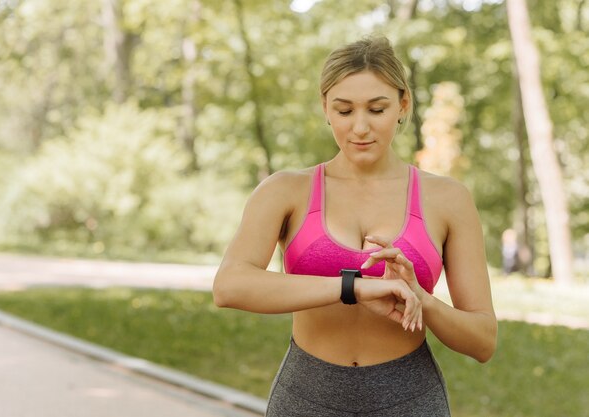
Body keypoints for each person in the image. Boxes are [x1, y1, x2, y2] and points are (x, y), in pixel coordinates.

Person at [213, 35, 497, 417]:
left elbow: (482, 341)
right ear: (325, 109)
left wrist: (421, 299)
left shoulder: (448, 199)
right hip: (306, 396)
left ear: (403, 104)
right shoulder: (286, 190)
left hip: (409, 398)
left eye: (376, 109)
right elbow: (229, 286)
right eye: (344, 111)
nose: (360, 127)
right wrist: (354, 288)